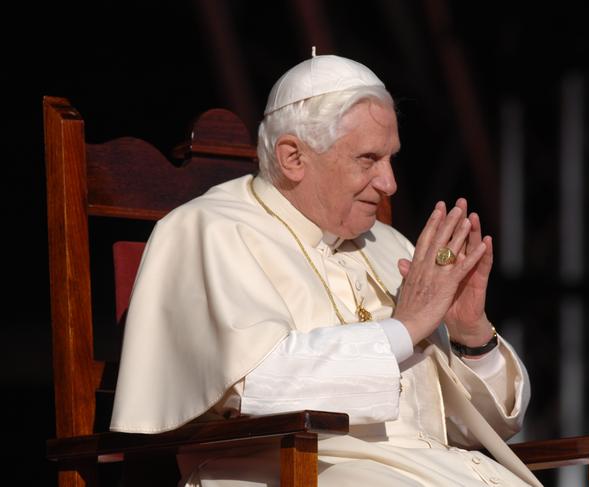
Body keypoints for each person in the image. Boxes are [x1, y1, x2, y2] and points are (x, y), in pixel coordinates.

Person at [110, 54, 542, 487]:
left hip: (424, 471)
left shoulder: (391, 246)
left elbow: (474, 428)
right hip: (287, 473)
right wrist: (404, 327)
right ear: (294, 157)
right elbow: (256, 385)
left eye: (390, 159)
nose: (389, 183)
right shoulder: (210, 230)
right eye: (368, 159)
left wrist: (471, 336)